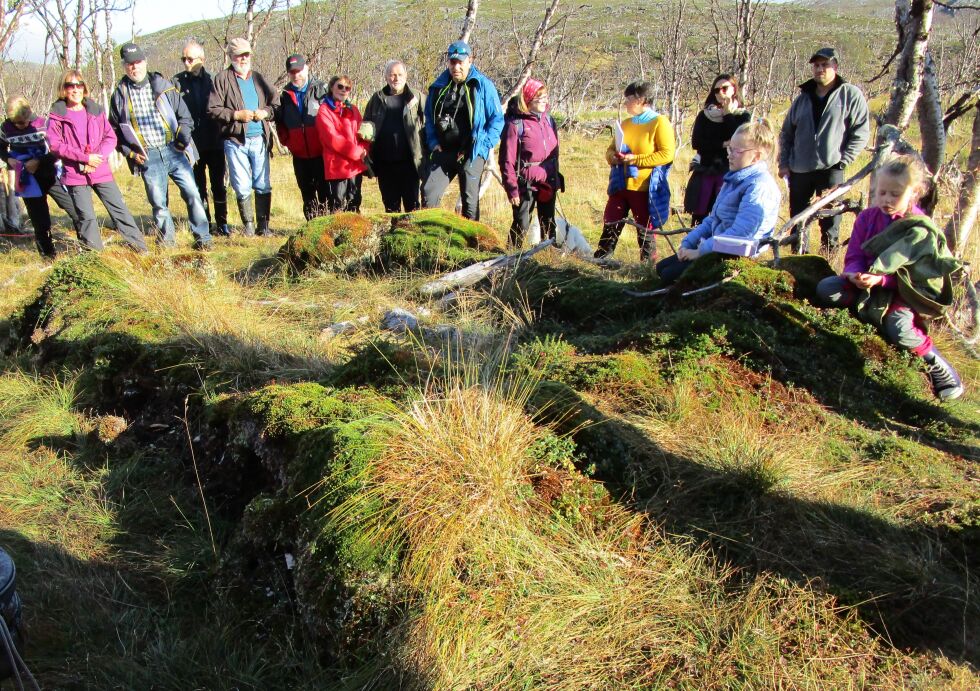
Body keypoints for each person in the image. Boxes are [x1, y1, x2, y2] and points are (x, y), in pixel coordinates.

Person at [814, 155, 964, 401]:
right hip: (868, 285)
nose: (886, 199)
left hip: (902, 293)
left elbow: (917, 280)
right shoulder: (867, 218)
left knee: (899, 328)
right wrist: (853, 274)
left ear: (914, 192)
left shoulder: (919, 229)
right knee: (827, 289)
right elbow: (855, 254)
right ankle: (870, 310)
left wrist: (882, 281)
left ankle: (938, 365)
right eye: (881, 192)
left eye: (895, 194)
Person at [109, 42, 211, 250]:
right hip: (147, 155)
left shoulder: (163, 86)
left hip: (173, 149)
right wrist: (129, 153)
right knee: (158, 204)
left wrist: (182, 140)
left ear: (144, 62)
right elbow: (114, 131)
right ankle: (168, 243)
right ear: (124, 66)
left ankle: (203, 238)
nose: (134, 67)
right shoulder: (119, 95)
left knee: (193, 193)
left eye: (137, 62)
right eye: (129, 64)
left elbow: (185, 117)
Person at [655, 119, 781, 284]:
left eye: (737, 151)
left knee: (669, 275)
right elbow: (713, 219)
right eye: (729, 148)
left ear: (756, 156)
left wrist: (700, 252)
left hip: (736, 254)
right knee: (661, 268)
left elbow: (740, 235)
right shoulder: (733, 179)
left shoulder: (759, 186)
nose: (729, 155)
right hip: (718, 247)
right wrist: (688, 243)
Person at [779, 47, 870, 252]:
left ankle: (828, 261)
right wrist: (784, 163)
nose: (820, 69)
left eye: (825, 65)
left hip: (831, 167)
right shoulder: (803, 97)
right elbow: (786, 133)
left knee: (830, 220)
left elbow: (861, 131)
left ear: (835, 67)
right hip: (800, 168)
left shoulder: (850, 94)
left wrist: (843, 161)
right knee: (798, 218)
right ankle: (799, 259)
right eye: (816, 65)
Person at [47, 70, 146, 252]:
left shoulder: (95, 110)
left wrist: (96, 158)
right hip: (76, 174)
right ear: (63, 89)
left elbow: (110, 137)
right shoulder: (57, 114)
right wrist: (84, 159)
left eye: (79, 85)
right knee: (86, 217)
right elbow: (55, 145)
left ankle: (140, 249)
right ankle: (95, 258)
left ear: (84, 88)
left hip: (100, 170)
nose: (75, 89)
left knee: (119, 210)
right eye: (70, 85)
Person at [422, 40, 504, 220]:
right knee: (429, 193)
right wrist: (433, 142)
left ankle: (471, 244)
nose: (456, 67)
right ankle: (431, 238)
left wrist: (484, 146)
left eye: (460, 62)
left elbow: (497, 120)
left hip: (472, 151)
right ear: (448, 62)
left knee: (469, 200)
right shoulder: (438, 86)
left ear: (470, 60)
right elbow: (429, 118)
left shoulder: (482, 85)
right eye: (453, 62)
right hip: (443, 150)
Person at [595, 81, 675, 261]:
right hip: (620, 184)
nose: (625, 103)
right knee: (611, 222)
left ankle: (647, 268)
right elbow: (610, 150)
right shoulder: (626, 123)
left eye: (628, 99)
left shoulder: (660, 123)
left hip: (644, 187)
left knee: (645, 229)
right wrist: (613, 157)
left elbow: (666, 155)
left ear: (641, 100)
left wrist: (636, 160)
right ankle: (601, 261)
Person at [207, 38, 279, 236]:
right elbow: (212, 110)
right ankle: (248, 226)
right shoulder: (222, 79)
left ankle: (263, 227)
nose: (244, 58)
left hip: (259, 139)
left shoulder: (259, 78)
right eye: (239, 55)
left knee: (263, 182)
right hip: (235, 140)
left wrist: (265, 112)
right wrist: (235, 115)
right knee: (242, 185)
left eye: (247, 54)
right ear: (231, 57)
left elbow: (275, 104)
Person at [1, 95, 81, 257]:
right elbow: (1, 148)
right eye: (16, 123)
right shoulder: (5, 128)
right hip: (26, 178)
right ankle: (48, 256)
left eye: (23, 122)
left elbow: (58, 150)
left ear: (29, 114)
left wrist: (39, 161)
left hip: (50, 174)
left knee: (76, 210)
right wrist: (8, 158)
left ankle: (87, 247)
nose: (20, 126)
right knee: (40, 221)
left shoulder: (43, 124)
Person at [173, 39, 228, 236]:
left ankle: (223, 224)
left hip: (215, 142)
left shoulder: (214, 80)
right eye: (184, 59)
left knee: (218, 186)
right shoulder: (176, 83)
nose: (187, 62)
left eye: (190, 59)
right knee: (198, 188)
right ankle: (205, 223)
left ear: (201, 59)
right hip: (191, 145)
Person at [498, 78, 560, 248]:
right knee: (521, 223)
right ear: (527, 98)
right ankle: (510, 258)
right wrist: (512, 189)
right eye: (538, 97)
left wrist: (556, 177)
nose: (543, 101)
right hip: (525, 185)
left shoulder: (549, 121)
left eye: (545, 97)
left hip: (548, 182)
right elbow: (506, 160)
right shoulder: (515, 125)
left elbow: (555, 154)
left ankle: (550, 261)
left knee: (548, 224)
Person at [685, 74, 751, 225]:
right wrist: (723, 144)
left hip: (730, 171)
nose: (720, 92)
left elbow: (739, 139)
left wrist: (728, 114)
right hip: (705, 169)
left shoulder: (742, 115)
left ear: (734, 89)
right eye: (716, 90)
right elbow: (697, 143)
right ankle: (697, 245)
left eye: (724, 88)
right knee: (700, 216)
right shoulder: (705, 115)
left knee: (724, 215)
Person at [363, 60, 426, 212]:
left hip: (410, 164)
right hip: (385, 165)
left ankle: (411, 235)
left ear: (406, 76)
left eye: (399, 75)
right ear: (385, 77)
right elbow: (366, 128)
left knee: (412, 208)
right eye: (392, 75)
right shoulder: (376, 99)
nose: (396, 78)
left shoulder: (416, 98)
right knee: (391, 209)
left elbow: (428, 125)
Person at [276, 53, 330, 221]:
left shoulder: (322, 89)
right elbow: (280, 121)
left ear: (306, 68)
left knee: (325, 193)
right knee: (307, 194)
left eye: (299, 71)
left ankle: (325, 228)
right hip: (299, 156)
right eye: (292, 72)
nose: (296, 75)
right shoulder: (285, 95)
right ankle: (310, 229)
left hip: (321, 154)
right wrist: (288, 142)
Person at [315, 75, 368, 213]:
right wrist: (357, 153)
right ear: (332, 87)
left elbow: (362, 135)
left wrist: (364, 150)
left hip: (355, 168)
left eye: (347, 87)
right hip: (337, 169)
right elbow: (332, 139)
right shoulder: (324, 110)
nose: (343, 90)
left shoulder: (354, 110)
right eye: (340, 86)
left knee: (354, 204)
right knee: (338, 208)